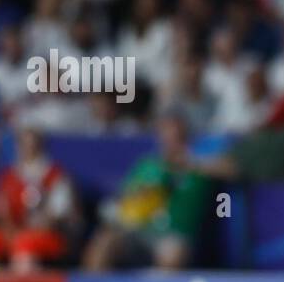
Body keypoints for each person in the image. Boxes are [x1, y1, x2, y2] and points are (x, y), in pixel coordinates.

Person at [82, 112, 209, 271]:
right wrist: (143, 192)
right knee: (104, 242)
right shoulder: (147, 165)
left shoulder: (201, 169)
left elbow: (229, 168)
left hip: (174, 236)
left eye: (178, 137)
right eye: (168, 136)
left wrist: (192, 164)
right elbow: (125, 199)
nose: (173, 142)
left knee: (173, 253)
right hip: (140, 231)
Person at [0, 127, 81, 271]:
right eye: (23, 145)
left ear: (40, 147)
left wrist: (27, 231)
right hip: (14, 231)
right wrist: (10, 230)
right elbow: (1, 213)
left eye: (32, 145)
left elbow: (56, 216)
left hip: (48, 234)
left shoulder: (54, 176)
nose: (27, 150)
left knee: (24, 243)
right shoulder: (8, 176)